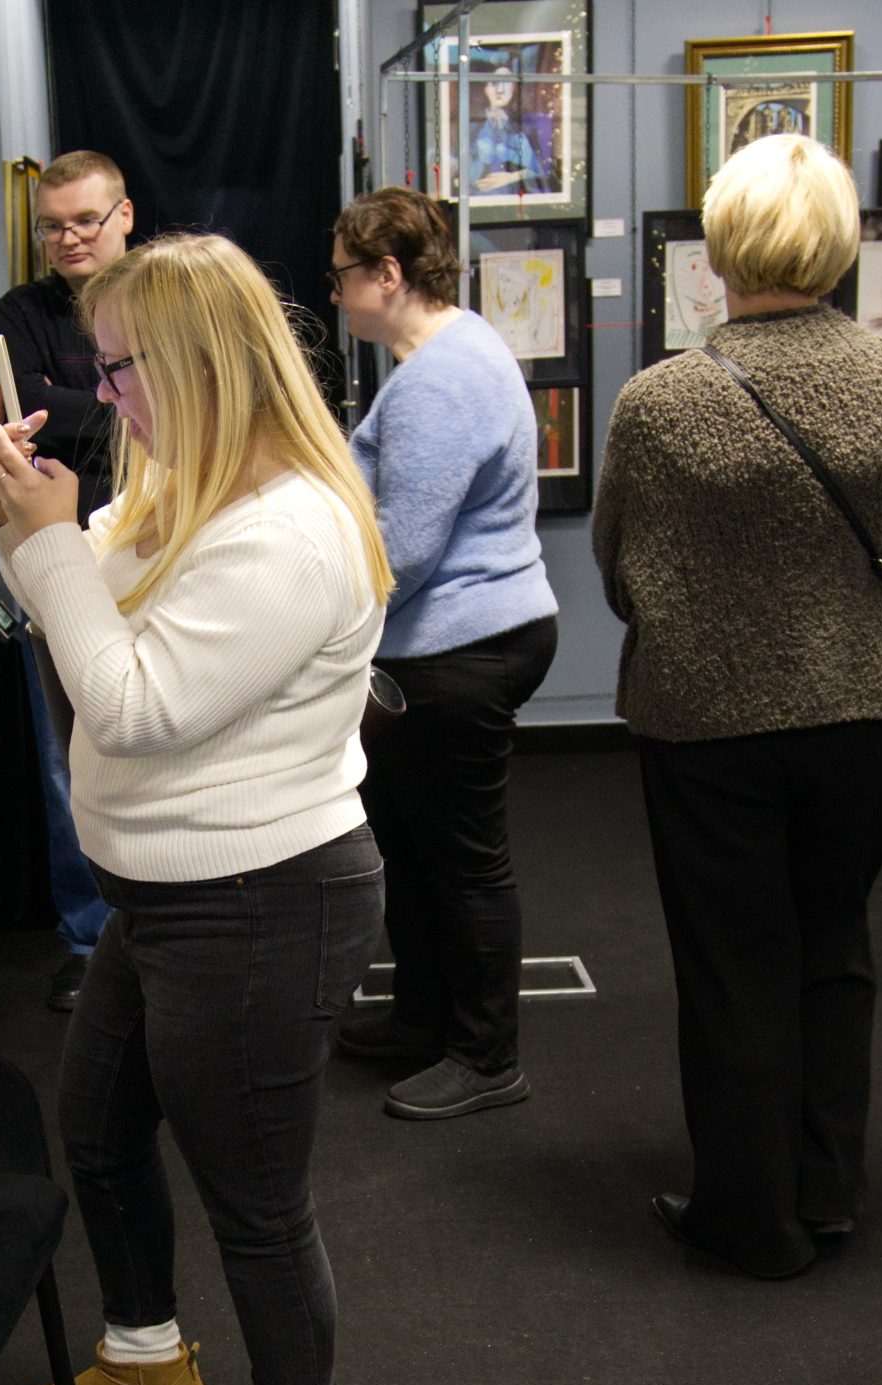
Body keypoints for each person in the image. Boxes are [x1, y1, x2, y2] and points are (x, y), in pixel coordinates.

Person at [0, 232, 390, 1385]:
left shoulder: (290, 532)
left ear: (201, 364)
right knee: (97, 1130)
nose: (102, 396)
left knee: (251, 1196)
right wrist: (16, 515)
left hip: (263, 904)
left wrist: (44, 545)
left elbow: (131, 704)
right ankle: (150, 1366)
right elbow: (79, 588)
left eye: (120, 370)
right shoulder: (184, 490)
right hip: (170, 898)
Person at [591, 134, 882, 1282]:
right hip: (868, 708)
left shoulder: (661, 402)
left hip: (713, 720)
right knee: (832, 940)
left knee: (734, 964)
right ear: (838, 243)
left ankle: (748, 1215)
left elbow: (621, 571)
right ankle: (827, 1186)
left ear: (719, 249)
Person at [327, 187, 559, 1120]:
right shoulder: (448, 355)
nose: (337, 296)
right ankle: (425, 1019)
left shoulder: (439, 377)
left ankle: (486, 1055)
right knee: (417, 851)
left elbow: (405, 550)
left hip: (462, 648)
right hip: (456, 640)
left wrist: (318, 617)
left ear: (388, 273)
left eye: (344, 277)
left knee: (461, 861)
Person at [0, 148, 131, 1009]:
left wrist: (65, 409)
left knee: (145, 734)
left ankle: (152, 923)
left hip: (148, 552)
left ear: (124, 216)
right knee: (63, 757)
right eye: (53, 226)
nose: (69, 238)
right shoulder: (22, 311)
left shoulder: (157, 296)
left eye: (85, 220)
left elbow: (184, 406)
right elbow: (20, 420)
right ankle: (90, 941)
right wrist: (125, 404)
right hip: (57, 556)